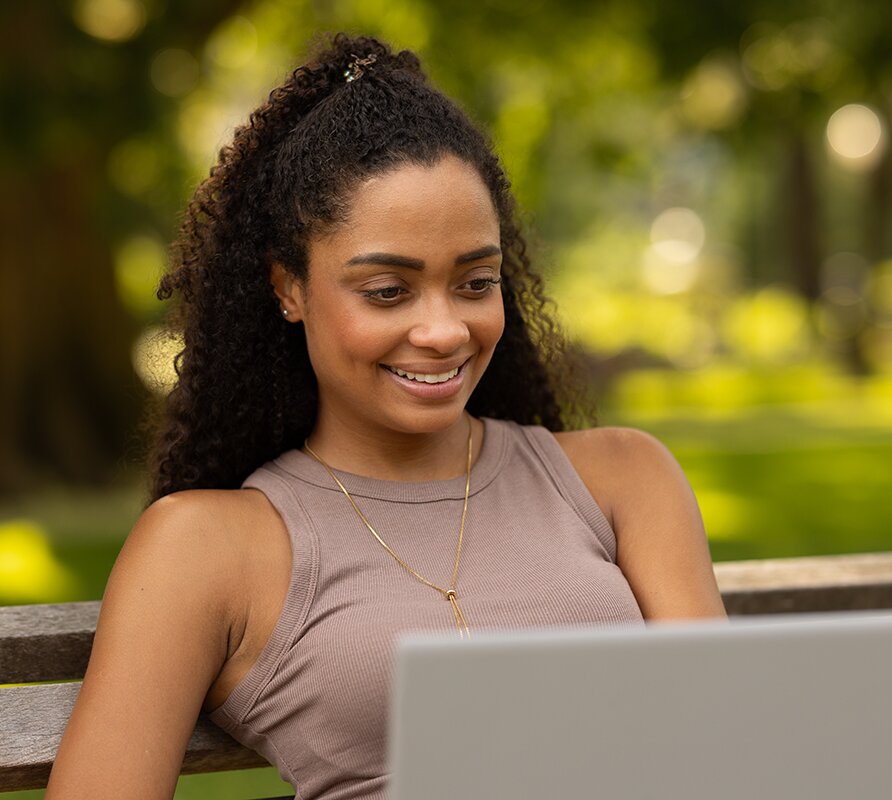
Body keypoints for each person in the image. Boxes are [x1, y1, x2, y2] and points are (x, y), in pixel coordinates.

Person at [47, 32, 725, 800]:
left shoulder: (622, 480)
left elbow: (725, 756)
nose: (443, 330)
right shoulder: (206, 547)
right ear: (289, 288)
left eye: (475, 282)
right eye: (387, 292)